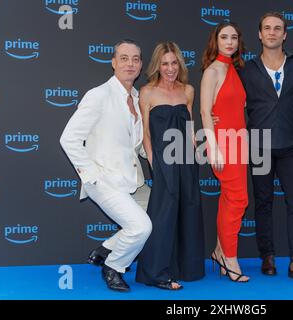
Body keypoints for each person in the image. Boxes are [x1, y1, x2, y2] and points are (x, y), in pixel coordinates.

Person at [60, 39, 152, 292]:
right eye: (124, 58)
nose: (130, 63)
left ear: (141, 64)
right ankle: (113, 266)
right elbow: (68, 138)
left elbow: (136, 144)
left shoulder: (136, 96)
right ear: (113, 63)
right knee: (141, 226)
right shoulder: (99, 95)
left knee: (158, 207)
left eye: (135, 58)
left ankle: (106, 247)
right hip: (105, 180)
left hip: (132, 179)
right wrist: (91, 176)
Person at [235, 12, 293, 286]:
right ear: (259, 34)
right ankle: (267, 256)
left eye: (277, 28)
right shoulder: (246, 68)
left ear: (285, 34)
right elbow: (232, 103)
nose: (272, 32)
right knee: (264, 203)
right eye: (267, 28)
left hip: (292, 146)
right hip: (259, 146)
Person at [135, 42, 205, 290]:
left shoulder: (188, 90)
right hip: (163, 161)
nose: (170, 68)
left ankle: (188, 268)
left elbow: (189, 125)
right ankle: (156, 273)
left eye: (174, 63)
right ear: (157, 66)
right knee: (162, 216)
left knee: (188, 210)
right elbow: (145, 133)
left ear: (180, 64)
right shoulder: (147, 92)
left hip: (186, 159)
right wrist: (154, 163)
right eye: (165, 63)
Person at [200, 22, 249, 282]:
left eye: (234, 37)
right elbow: (204, 111)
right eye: (224, 37)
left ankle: (220, 251)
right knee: (239, 199)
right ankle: (230, 259)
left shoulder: (232, 69)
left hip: (239, 142)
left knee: (229, 200)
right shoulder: (213, 71)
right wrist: (214, 147)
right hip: (223, 144)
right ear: (215, 41)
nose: (229, 42)